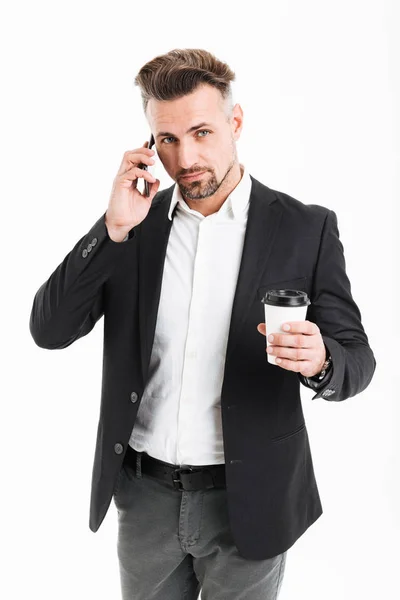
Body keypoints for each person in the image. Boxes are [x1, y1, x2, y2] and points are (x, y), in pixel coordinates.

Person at [29, 48, 376, 600]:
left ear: (235, 123)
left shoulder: (305, 229)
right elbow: (48, 330)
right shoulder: (134, 228)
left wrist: (323, 360)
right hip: (145, 497)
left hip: (251, 499)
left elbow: (357, 359)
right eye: (166, 140)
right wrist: (112, 228)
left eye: (201, 132)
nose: (186, 157)